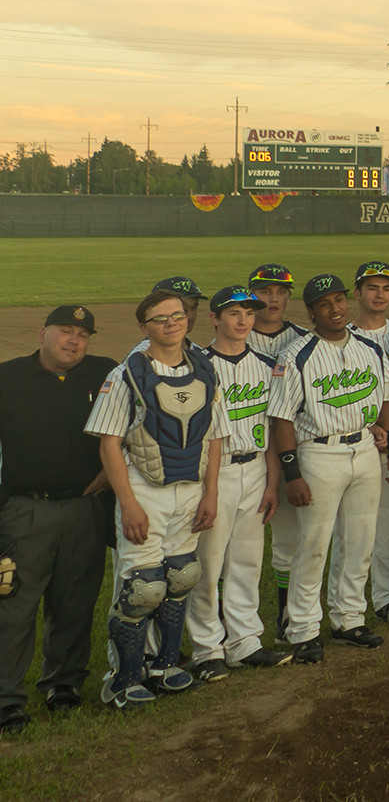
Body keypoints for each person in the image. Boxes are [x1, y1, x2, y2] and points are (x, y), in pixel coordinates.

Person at [86, 289, 233, 708]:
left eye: (177, 315)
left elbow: (216, 436)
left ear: (188, 319)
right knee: (143, 588)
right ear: (144, 327)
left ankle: (166, 666)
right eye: (160, 318)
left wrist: (212, 492)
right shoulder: (127, 373)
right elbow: (110, 444)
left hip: (191, 489)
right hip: (145, 490)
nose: (172, 323)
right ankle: (122, 677)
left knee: (181, 577)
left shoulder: (205, 370)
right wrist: (128, 503)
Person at [265, 274, 389, 665]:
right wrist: (293, 474)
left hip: (364, 450)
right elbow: (282, 419)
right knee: (314, 544)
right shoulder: (295, 355)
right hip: (318, 455)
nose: (335, 309)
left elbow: (385, 401)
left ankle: (348, 618)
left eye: (339, 300)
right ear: (311, 312)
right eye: (325, 303)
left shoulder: (371, 349)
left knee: (359, 540)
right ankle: (302, 628)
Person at [0, 306, 116, 734]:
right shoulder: (7, 378)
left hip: (85, 507)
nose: (74, 341)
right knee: (13, 606)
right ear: (42, 333)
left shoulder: (105, 373)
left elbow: (131, 423)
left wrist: (111, 465)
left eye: (83, 335)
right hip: (25, 509)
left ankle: (63, 684)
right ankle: (7, 698)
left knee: (75, 601)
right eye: (65, 332)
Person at [184, 287, 290, 682]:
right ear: (215, 318)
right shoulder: (198, 365)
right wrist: (209, 491)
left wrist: (273, 482)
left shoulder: (265, 365)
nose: (244, 320)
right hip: (215, 473)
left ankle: (245, 642)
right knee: (208, 565)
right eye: (234, 313)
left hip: (257, 470)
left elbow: (274, 428)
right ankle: (207, 648)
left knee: (247, 560)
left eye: (249, 312)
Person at [347, 261, 389, 630]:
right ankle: (354, 605)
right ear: (358, 293)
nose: (380, 295)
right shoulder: (341, 335)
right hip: (357, 443)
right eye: (372, 288)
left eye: (386, 288)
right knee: (354, 529)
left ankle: (387, 597)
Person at [246, 262, 308, 638]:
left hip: (291, 448)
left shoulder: (303, 340)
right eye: (264, 291)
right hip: (247, 453)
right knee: (238, 548)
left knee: (289, 537)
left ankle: (287, 616)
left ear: (288, 296)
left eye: (280, 291)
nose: (272, 298)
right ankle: (230, 625)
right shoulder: (234, 334)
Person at [245, 264, 310, 359]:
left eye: (281, 292)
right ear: (251, 296)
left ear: (289, 296)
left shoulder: (306, 340)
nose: (274, 299)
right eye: (266, 292)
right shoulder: (235, 339)